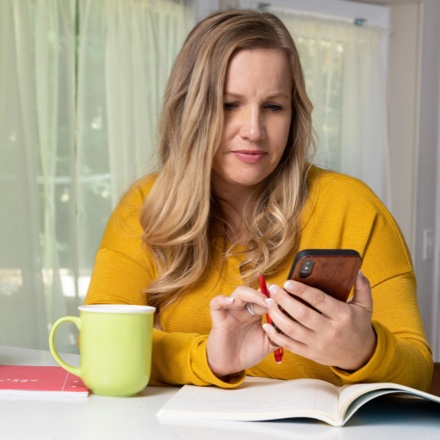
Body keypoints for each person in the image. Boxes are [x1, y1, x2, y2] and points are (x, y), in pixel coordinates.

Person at [84, 9, 433, 390]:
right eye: (229, 104)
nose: (254, 131)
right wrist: (210, 358)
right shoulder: (145, 206)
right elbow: (103, 339)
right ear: (191, 109)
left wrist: (363, 351)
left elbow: (418, 368)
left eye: (273, 107)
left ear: (294, 115)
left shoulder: (355, 207)